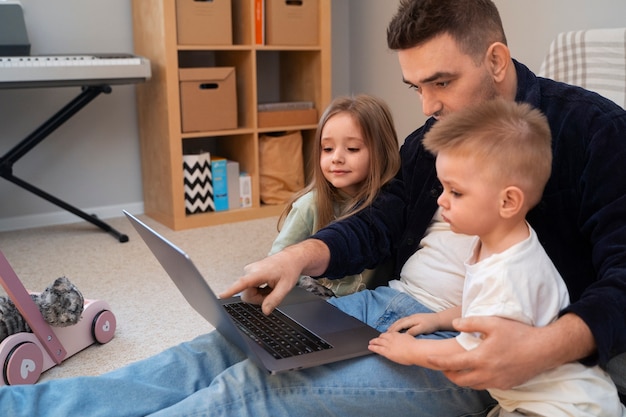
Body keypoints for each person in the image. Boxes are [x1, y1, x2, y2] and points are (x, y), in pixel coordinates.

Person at [2, 0, 626, 415]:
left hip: (469, 348)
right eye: (416, 87)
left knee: (251, 393)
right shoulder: (429, 137)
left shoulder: (591, 132)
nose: (428, 104)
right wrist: (304, 254)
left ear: (494, 60)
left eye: (442, 81)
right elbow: (381, 223)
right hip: (387, 306)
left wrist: (539, 350)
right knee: (217, 348)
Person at [368, 98, 626, 416]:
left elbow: (472, 353)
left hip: (561, 407)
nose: (442, 201)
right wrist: (439, 319)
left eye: (456, 192)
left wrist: (413, 351)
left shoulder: (510, 271)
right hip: (531, 399)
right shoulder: (499, 244)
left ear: (507, 202)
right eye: (442, 188)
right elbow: (485, 306)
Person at [269, 94, 400, 298]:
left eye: (352, 148)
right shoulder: (309, 206)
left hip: (371, 307)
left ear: (382, 152)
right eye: (327, 149)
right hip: (316, 304)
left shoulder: (393, 206)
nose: (336, 158)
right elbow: (276, 265)